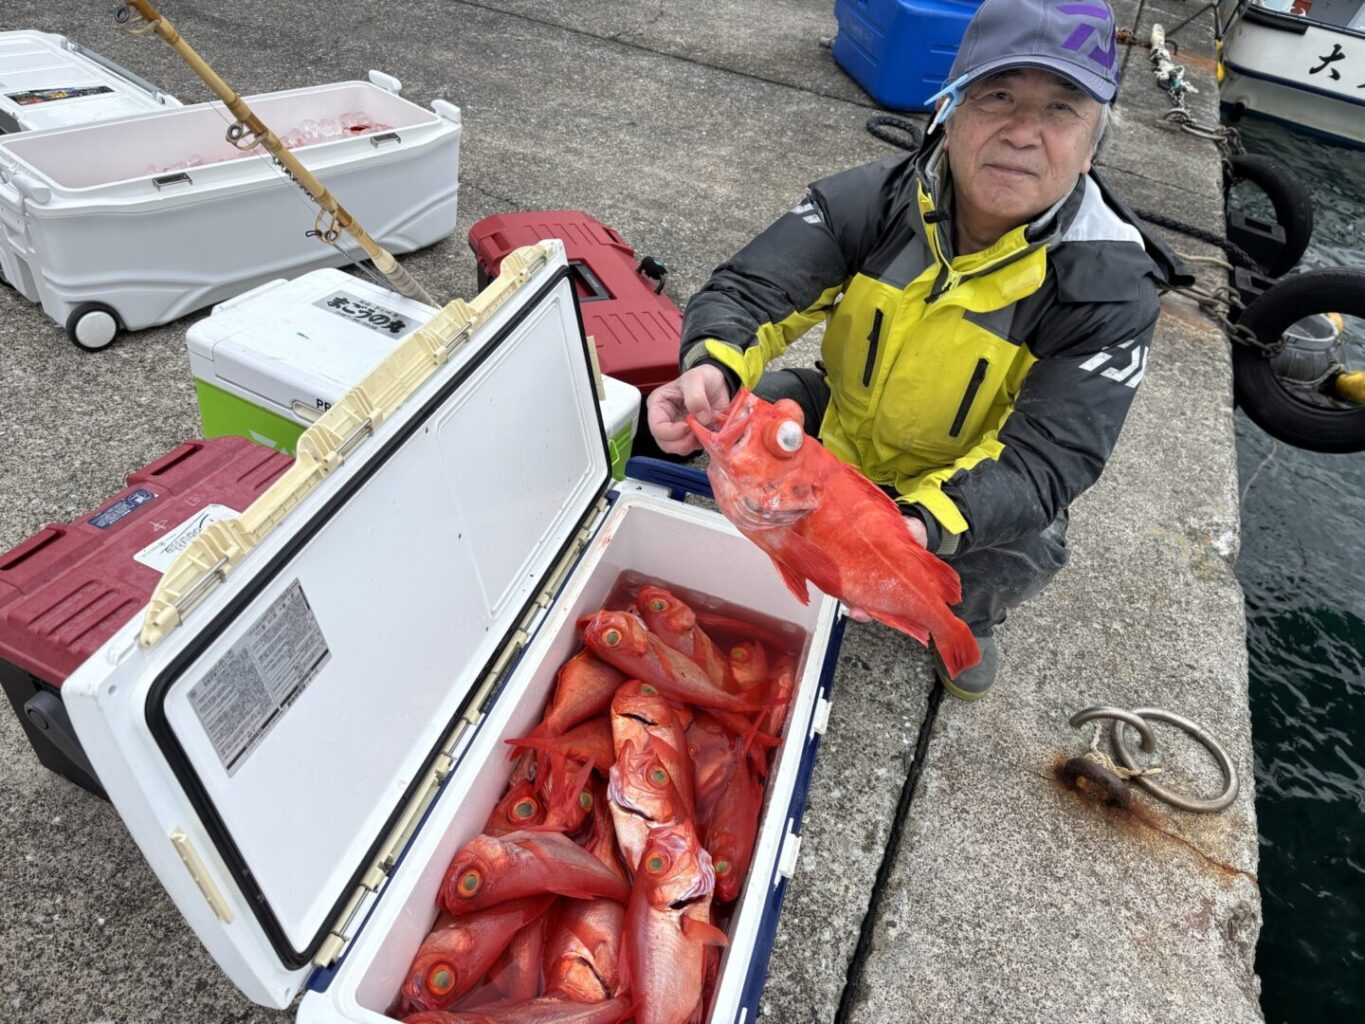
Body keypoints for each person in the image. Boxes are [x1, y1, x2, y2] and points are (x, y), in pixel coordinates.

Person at [646, 0, 1191, 700]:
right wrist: (709, 365)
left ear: (1091, 146)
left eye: (1061, 108)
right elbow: (753, 290)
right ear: (947, 111)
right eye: (998, 96)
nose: (1023, 133)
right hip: (848, 424)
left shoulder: (1111, 288)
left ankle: (960, 620)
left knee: (1029, 541)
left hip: (962, 484)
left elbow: (1050, 457)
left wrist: (916, 528)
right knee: (741, 413)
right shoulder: (868, 199)